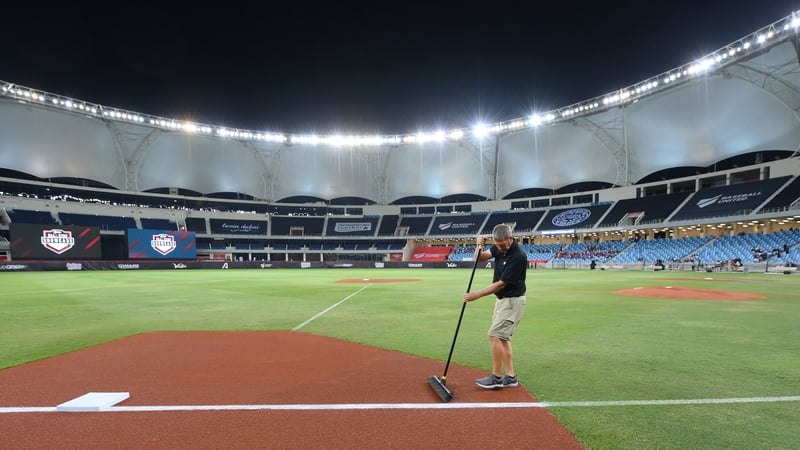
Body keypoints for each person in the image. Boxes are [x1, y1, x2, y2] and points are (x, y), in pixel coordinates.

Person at [463, 223, 528, 389]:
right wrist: (479, 245)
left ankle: (497, 377)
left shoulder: (518, 255)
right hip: (502, 301)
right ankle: (511, 377)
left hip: (512, 301)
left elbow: (501, 284)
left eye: (501, 244)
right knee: (502, 338)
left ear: (510, 239)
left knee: (494, 336)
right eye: (496, 245)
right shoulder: (499, 247)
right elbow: (480, 258)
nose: (499, 248)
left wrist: (476, 295)